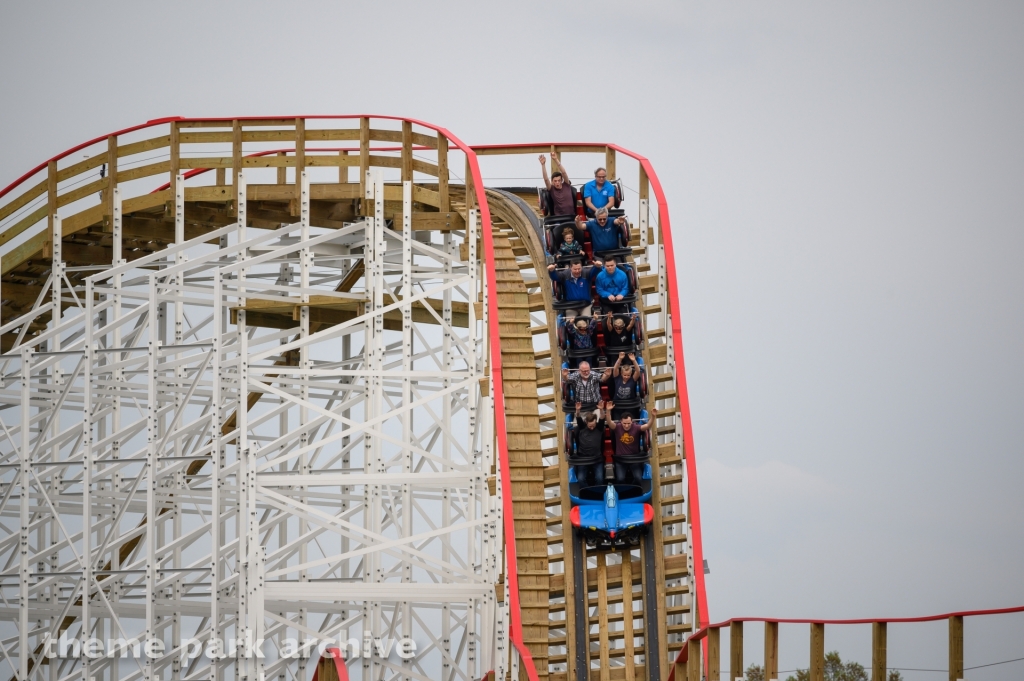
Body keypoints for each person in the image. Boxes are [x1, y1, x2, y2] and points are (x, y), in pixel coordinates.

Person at [606, 402, 657, 485]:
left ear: (632, 422)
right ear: (621, 422)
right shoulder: (617, 427)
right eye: (624, 423)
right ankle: (623, 490)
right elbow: (609, 422)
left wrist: (653, 417)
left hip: (634, 459)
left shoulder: (636, 427)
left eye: (628, 423)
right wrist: (608, 411)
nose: (626, 426)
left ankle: (633, 488)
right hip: (621, 459)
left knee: (638, 478)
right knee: (620, 479)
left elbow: (647, 426)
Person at [570, 400, 607, 488]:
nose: (591, 427)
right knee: (581, 478)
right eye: (590, 426)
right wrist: (578, 410)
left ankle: (598, 492)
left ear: (595, 422)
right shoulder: (582, 427)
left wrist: (601, 410)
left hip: (597, 458)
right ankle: (587, 491)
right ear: (586, 423)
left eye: (593, 425)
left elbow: (602, 417)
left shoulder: (599, 428)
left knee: (600, 478)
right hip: (583, 459)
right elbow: (578, 417)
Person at [540, 153, 576, 217]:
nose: (557, 183)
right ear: (552, 182)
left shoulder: (566, 184)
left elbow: (564, 173)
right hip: (559, 218)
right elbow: (546, 179)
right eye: (555, 181)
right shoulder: (552, 189)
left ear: (561, 180)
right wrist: (543, 165)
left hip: (571, 216)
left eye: (559, 181)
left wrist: (556, 159)